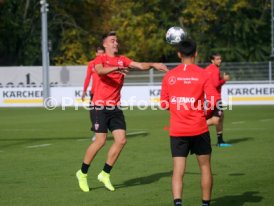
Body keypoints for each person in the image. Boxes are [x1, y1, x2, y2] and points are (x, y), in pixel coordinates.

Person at [76, 31, 168, 192]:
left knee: (121, 140)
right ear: (105, 44)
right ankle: (82, 173)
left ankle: (105, 174)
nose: (116, 43)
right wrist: (117, 68)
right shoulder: (100, 59)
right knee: (100, 141)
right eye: (112, 40)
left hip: (115, 107)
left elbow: (139, 65)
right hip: (99, 106)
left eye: (116, 40)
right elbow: (100, 70)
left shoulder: (123, 59)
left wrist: (154, 64)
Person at [160, 39, 220, 206]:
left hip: (178, 131)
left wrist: (179, 108)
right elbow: (214, 99)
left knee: (178, 170)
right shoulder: (203, 74)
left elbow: (164, 103)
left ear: (179, 54)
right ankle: (205, 204)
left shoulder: (169, 76)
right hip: (199, 129)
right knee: (205, 168)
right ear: (196, 53)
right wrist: (205, 114)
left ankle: (178, 203)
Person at [205, 53, 231, 147]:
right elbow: (216, 84)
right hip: (215, 98)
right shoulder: (215, 70)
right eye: (217, 59)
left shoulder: (207, 69)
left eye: (220, 59)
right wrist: (224, 79)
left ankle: (220, 141)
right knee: (216, 120)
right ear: (212, 60)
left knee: (221, 117)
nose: (219, 60)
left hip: (209, 97)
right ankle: (196, 126)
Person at [81, 46, 105, 141]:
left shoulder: (106, 64)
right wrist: (84, 91)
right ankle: (96, 132)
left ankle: (102, 131)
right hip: (94, 93)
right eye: (99, 53)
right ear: (96, 54)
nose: (100, 55)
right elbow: (87, 78)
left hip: (104, 93)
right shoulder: (91, 64)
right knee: (93, 113)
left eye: (102, 53)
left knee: (104, 112)